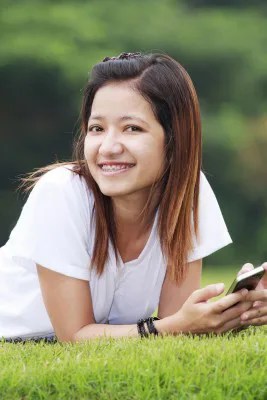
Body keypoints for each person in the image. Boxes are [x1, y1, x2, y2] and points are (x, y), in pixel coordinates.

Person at [0, 52, 266, 343]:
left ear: (176, 138)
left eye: (132, 128)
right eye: (97, 128)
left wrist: (233, 313)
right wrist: (171, 327)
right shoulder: (60, 192)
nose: (108, 147)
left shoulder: (190, 192)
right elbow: (73, 335)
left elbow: (176, 322)